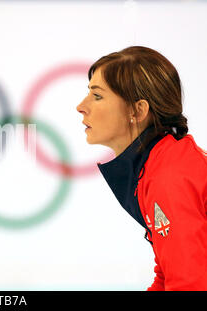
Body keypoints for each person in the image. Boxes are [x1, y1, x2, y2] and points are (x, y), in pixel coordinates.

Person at [76, 46, 207, 290]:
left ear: (138, 111)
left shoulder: (169, 176)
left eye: (97, 96)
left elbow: (190, 284)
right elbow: (168, 274)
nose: (81, 106)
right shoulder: (162, 162)